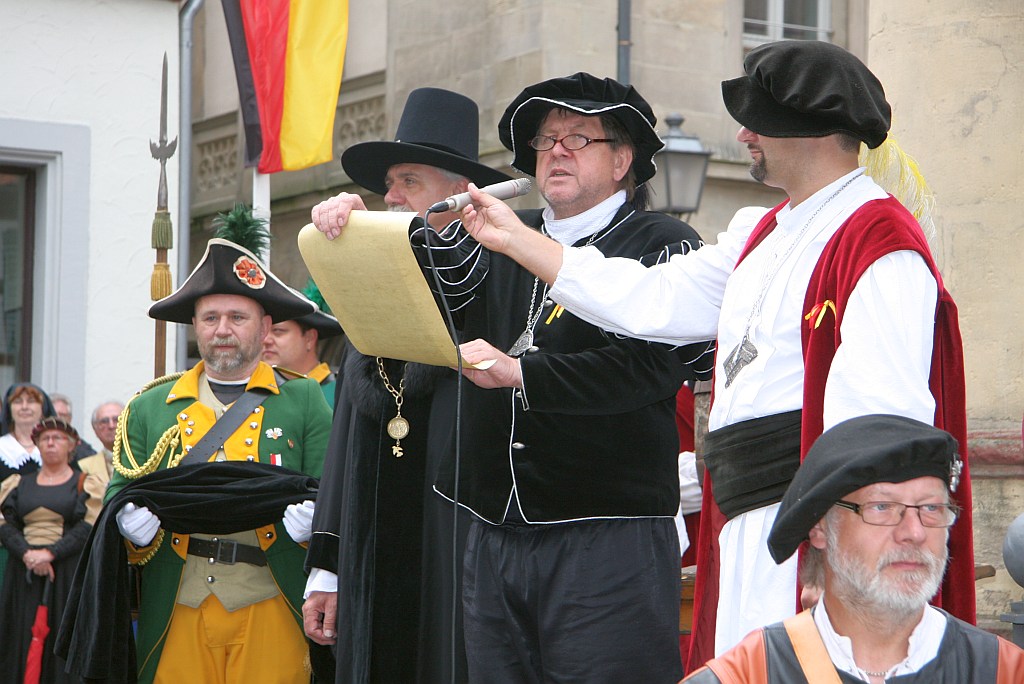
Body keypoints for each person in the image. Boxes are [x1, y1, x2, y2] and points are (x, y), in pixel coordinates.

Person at [455, 41, 975, 669]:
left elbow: (883, 421)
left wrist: (849, 550)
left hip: (812, 531)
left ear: (806, 128)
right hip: (746, 524)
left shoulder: (877, 242)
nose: (743, 135)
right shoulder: (762, 231)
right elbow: (652, 298)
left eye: (756, 121)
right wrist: (515, 237)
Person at [312, 74, 715, 683]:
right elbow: (417, 297)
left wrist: (523, 374)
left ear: (622, 160)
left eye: (578, 139)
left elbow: (648, 370)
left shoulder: (664, 243)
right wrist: (357, 231)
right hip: (489, 531)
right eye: (546, 140)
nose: (555, 151)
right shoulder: (496, 232)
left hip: (606, 534)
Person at [303, 86, 512, 684]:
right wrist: (327, 568)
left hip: (461, 551)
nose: (391, 197)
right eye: (389, 184)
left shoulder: (500, 275)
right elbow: (347, 434)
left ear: (460, 193)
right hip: (372, 558)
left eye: (409, 182)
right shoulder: (372, 283)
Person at [90, 238, 332, 683]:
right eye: (210, 318)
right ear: (195, 327)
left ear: (265, 327)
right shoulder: (150, 407)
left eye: (238, 317)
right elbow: (118, 495)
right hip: (177, 602)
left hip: (272, 600)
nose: (223, 329)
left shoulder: (304, 399)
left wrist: (318, 529)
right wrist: (128, 527)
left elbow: (336, 492)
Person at [684, 414, 1024, 683]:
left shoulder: (1003, 672)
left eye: (932, 508)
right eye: (882, 507)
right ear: (820, 528)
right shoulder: (750, 675)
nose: (915, 532)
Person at [0, 417, 103, 684]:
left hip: (66, 573)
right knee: (20, 634)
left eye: (57, 438)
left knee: (61, 635)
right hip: (23, 572)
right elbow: (4, 524)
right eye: (44, 439)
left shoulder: (85, 483)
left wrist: (51, 553)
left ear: (71, 446)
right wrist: (27, 553)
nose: (50, 443)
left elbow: (88, 526)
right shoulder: (18, 484)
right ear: (37, 445)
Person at [0, 383, 57, 589]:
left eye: (31, 401)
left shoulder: (58, 449)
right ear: (9, 409)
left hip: (51, 547)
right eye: (18, 401)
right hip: (4, 545)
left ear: (43, 408)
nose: (24, 407)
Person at [261, 290, 343, 410]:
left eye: (278, 331)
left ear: (310, 338)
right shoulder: (255, 391)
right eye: (263, 332)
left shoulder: (340, 393)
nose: (266, 340)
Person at [75, 400, 124, 484]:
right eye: (104, 421)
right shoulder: (84, 467)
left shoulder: (143, 459)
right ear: (95, 429)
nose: (111, 426)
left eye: (117, 419)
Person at [51, 392, 98, 463]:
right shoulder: (35, 447)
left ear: (70, 418)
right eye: (53, 415)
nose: (57, 419)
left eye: (62, 415)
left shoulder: (84, 451)